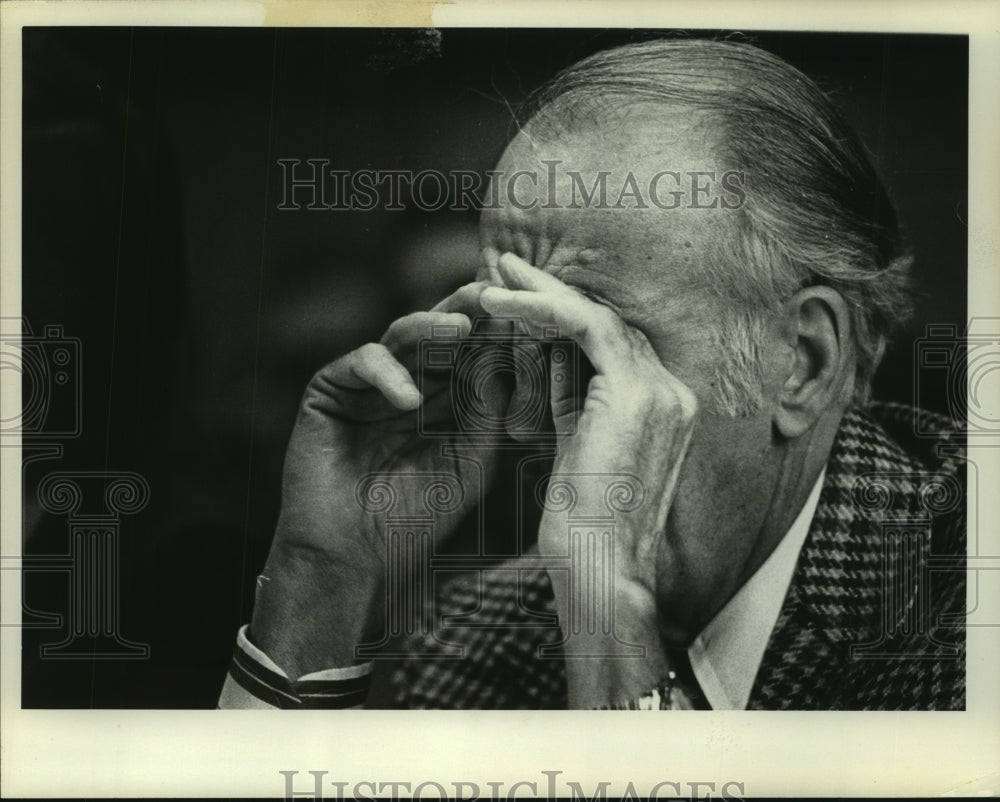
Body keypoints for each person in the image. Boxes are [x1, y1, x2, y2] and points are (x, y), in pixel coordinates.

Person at [219, 38, 965, 711]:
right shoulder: (474, 644)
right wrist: (324, 572)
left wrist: (608, 612)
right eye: (513, 350)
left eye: (598, 349)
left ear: (805, 361)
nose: (525, 422)